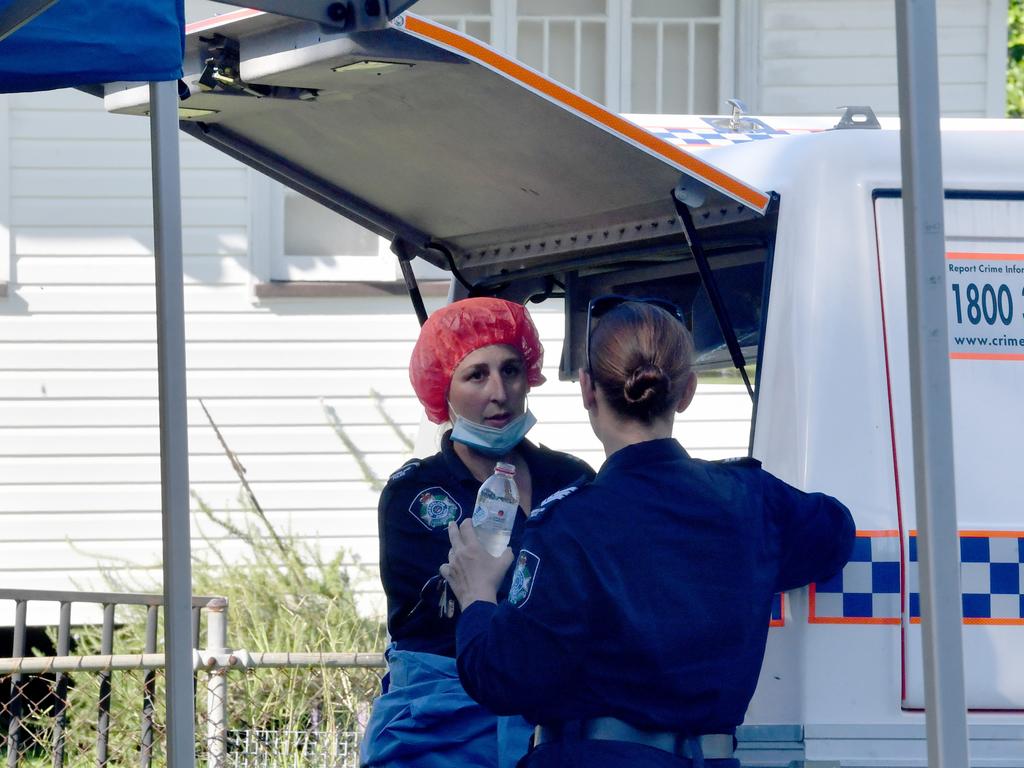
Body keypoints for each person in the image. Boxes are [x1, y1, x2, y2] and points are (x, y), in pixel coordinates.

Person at [441, 296, 856, 768]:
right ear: (687, 391)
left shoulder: (568, 525)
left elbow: (501, 678)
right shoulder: (752, 501)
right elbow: (835, 532)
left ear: (587, 390)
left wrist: (477, 595)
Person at [360, 297, 595, 768]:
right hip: (440, 733)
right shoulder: (414, 495)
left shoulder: (572, 479)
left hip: (560, 727)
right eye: (476, 375)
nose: (499, 392)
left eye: (510, 370)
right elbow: (442, 614)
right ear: (441, 390)